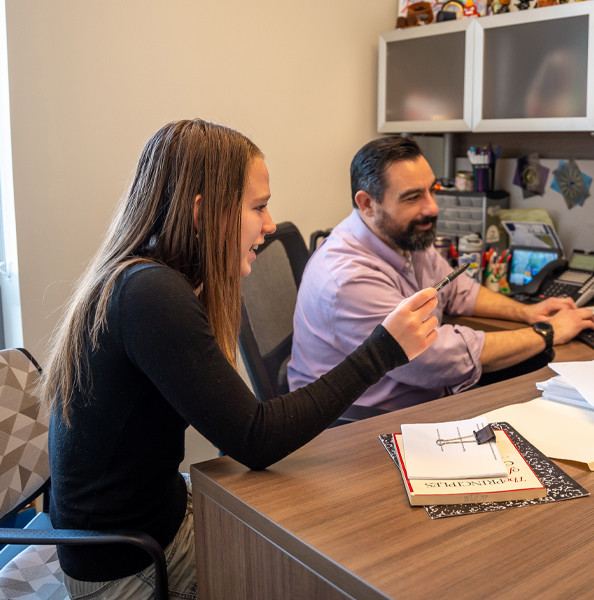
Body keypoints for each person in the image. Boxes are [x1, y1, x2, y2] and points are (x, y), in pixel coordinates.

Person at [41, 120, 440, 599]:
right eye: (259, 206)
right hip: (129, 567)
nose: (270, 225)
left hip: (151, 523)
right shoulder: (151, 295)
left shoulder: (152, 278)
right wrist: (384, 350)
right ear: (202, 212)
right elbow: (256, 438)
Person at [288, 136, 594, 411]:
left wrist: (528, 313)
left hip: (420, 393)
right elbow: (433, 358)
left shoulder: (403, 236)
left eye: (431, 191)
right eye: (412, 197)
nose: (432, 208)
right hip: (364, 427)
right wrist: (548, 332)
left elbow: (458, 288)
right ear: (367, 203)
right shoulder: (347, 279)